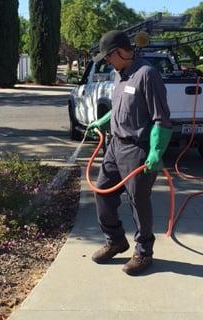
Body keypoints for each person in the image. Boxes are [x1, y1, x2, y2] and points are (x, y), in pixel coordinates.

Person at [87, 30, 172, 275]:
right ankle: (116, 241)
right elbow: (118, 107)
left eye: (108, 57)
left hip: (138, 148)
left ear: (121, 52)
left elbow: (161, 119)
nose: (106, 62)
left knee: (138, 201)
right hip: (115, 147)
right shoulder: (118, 74)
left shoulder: (147, 75)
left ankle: (144, 252)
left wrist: (156, 152)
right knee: (102, 193)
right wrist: (103, 121)